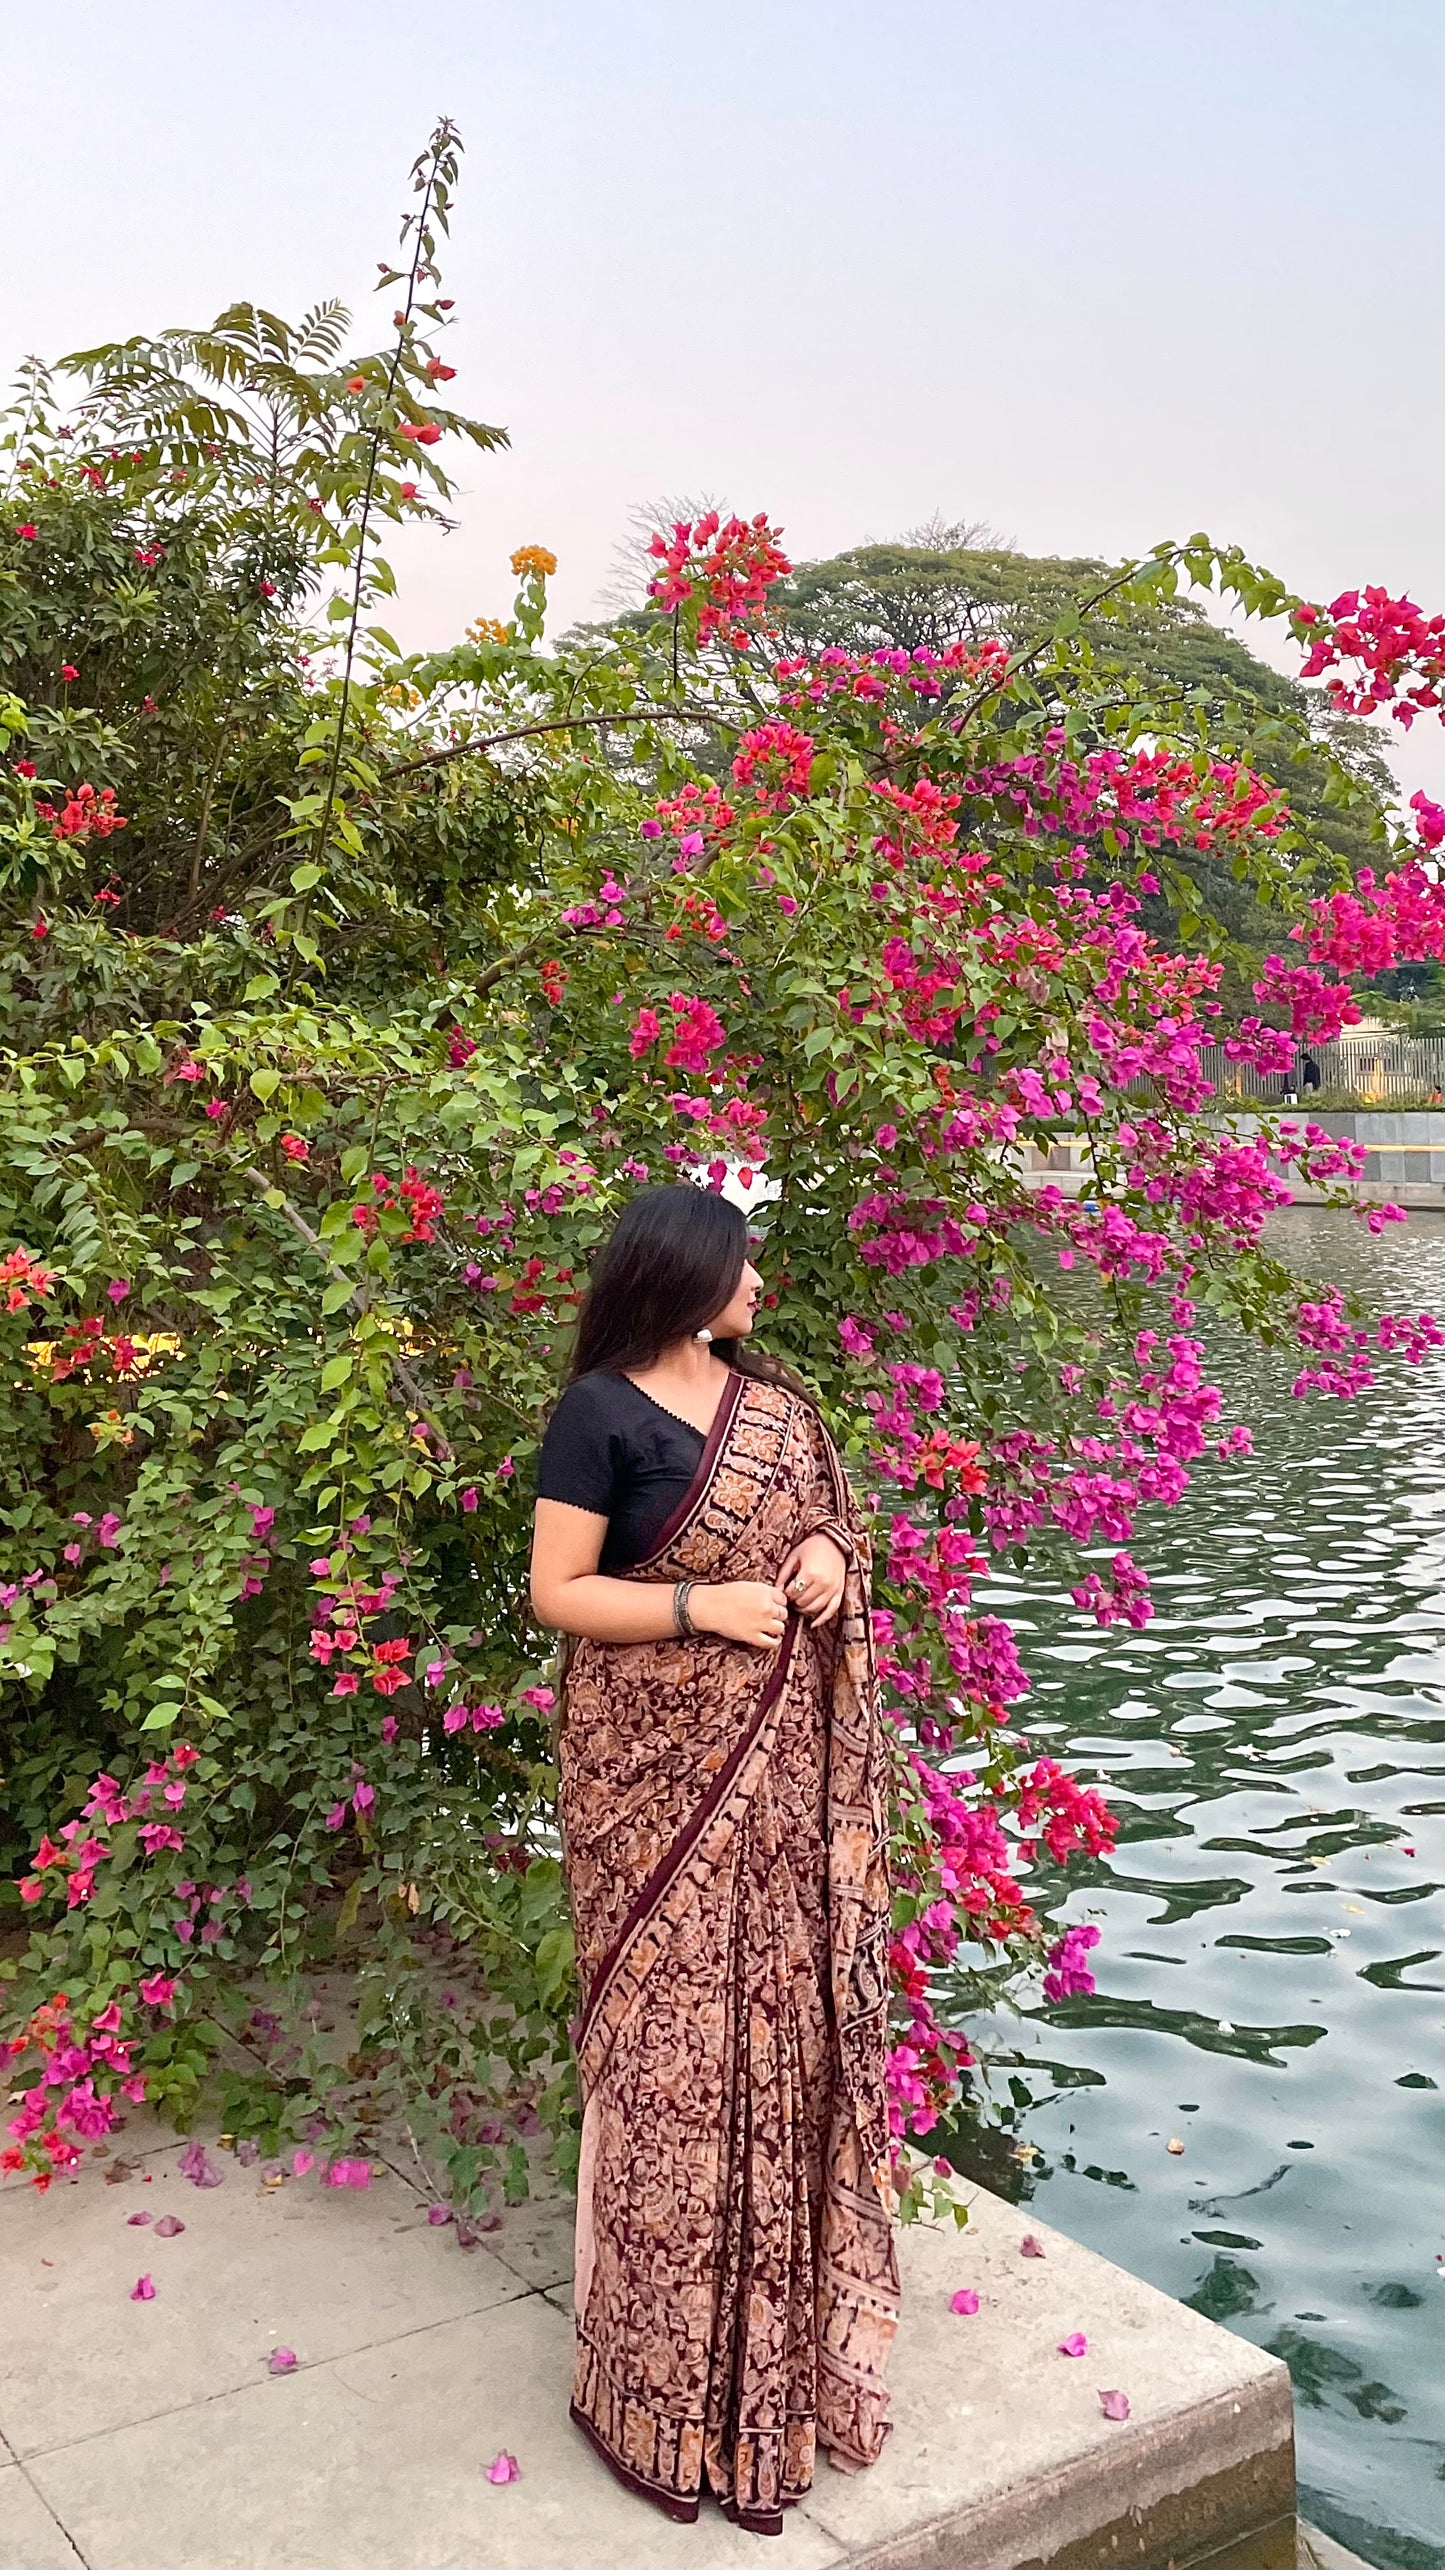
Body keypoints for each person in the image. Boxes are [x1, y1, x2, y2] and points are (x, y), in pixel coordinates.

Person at [531, 1184, 899, 2534]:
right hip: (655, 1799)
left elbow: (830, 1537)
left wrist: (821, 1554)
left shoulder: (782, 1409)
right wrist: (697, 1602)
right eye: (747, 1264)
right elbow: (558, 1591)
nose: (763, 1286)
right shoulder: (599, 1413)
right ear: (686, 1272)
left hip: (781, 1799)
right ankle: (647, 2386)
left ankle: (772, 2385)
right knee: (670, 2073)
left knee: (776, 2060)